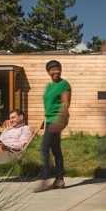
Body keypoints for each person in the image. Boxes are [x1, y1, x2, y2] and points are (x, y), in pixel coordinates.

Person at [33, 60, 71, 193]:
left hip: (57, 119)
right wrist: (45, 120)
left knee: (44, 148)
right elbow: (49, 105)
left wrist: (61, 120)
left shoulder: (64, 84)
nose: (56, 71)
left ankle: (45, 178)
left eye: (58, 69)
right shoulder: (48, 86)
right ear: (48, 72)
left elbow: (65, 104)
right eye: (52, 69)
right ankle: (59, 180)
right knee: (56, 150)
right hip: (49, 120)